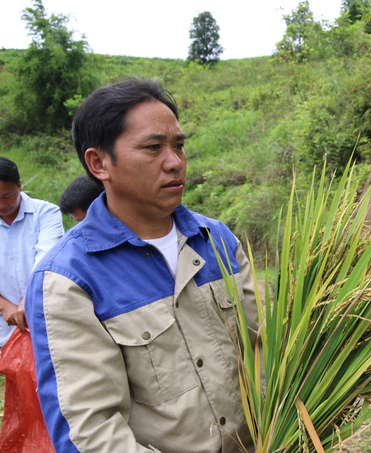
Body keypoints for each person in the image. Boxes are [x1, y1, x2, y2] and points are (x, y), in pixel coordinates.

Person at [25, 79, 260, 453]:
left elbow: (263, 346)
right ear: (99, 162)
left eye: (179, 146)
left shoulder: (217, 239)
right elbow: (91, 433)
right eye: (153, 147)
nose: (174, 162)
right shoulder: (69, 280)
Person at [0, 156, 63, 346]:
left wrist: (28, 300)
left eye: (7, 196)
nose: (2, 205)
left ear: (19, 185)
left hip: (48, 318)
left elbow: (47, 259)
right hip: (6, 328)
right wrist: (4, 305)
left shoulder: (46, 213)